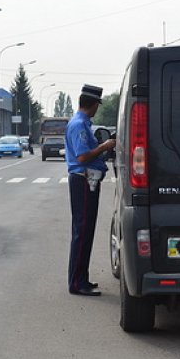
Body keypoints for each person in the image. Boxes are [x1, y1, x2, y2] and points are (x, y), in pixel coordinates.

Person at [65, 84, 116, 296]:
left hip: (88, 181)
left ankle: (81, 278)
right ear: (94, 104)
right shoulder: (78, 125)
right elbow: (83, 157)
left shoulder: (84, 123)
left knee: (86, 232)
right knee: (82, 231)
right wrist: (104, 147)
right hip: (84, 181)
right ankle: (77, 282)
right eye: (97, 105)